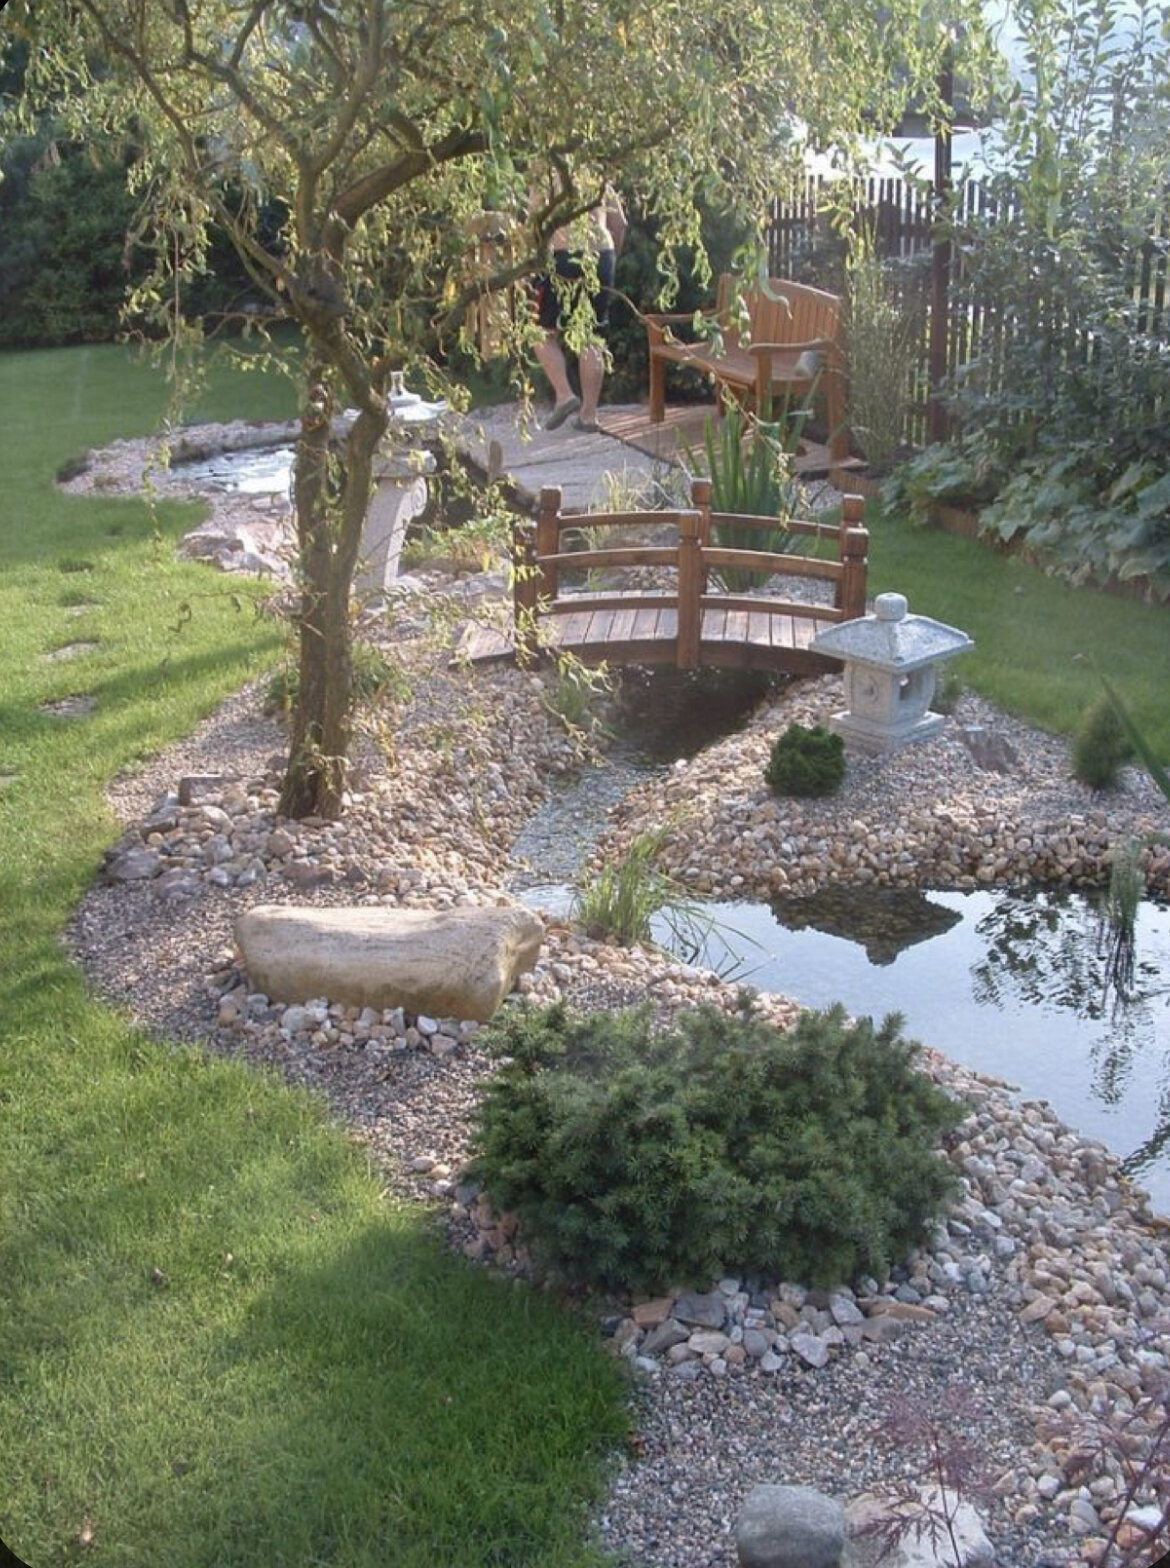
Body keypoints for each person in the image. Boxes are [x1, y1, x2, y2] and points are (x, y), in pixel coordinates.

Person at [532, 184, 626, 431]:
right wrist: (611, 260)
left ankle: (564, 395)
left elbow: (535, 222)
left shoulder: (546, 173)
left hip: (562, 254)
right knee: (591, 336)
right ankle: (589, 415)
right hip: (602, 255)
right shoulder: (598, 176)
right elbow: (619, 224)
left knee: (540, 331)